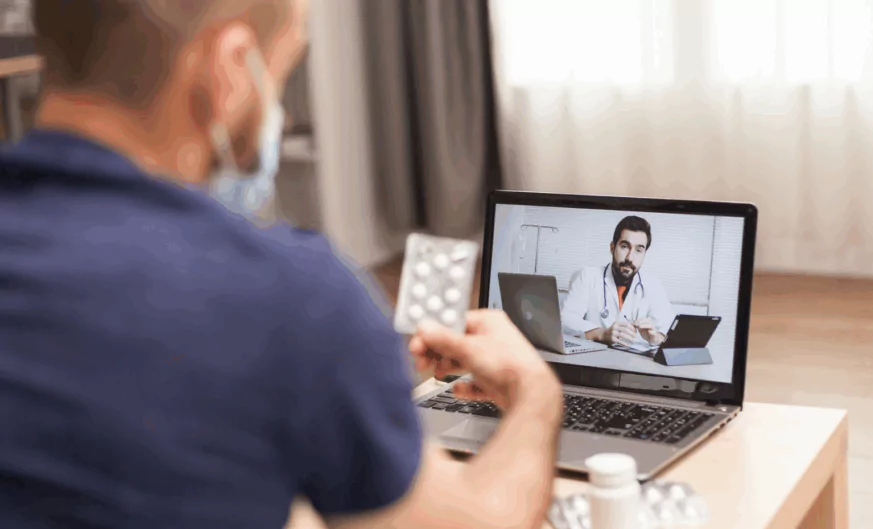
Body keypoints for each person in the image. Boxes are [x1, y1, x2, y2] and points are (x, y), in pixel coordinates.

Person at [0, 2, 562, 529]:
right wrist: (535, 394)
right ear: (229, 68)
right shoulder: (289, 300)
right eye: (280, 75)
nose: (281, 112)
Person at [561, 216, 676, 350]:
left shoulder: (653, 285)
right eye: (625, 247)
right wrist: (602, 334)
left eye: (639, 250)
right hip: (592, 359)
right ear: (612, 247)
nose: (630, 258)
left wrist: (655, 338)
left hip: (633, 361)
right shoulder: (587, 276)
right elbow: (565, 321)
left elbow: (669, 332)